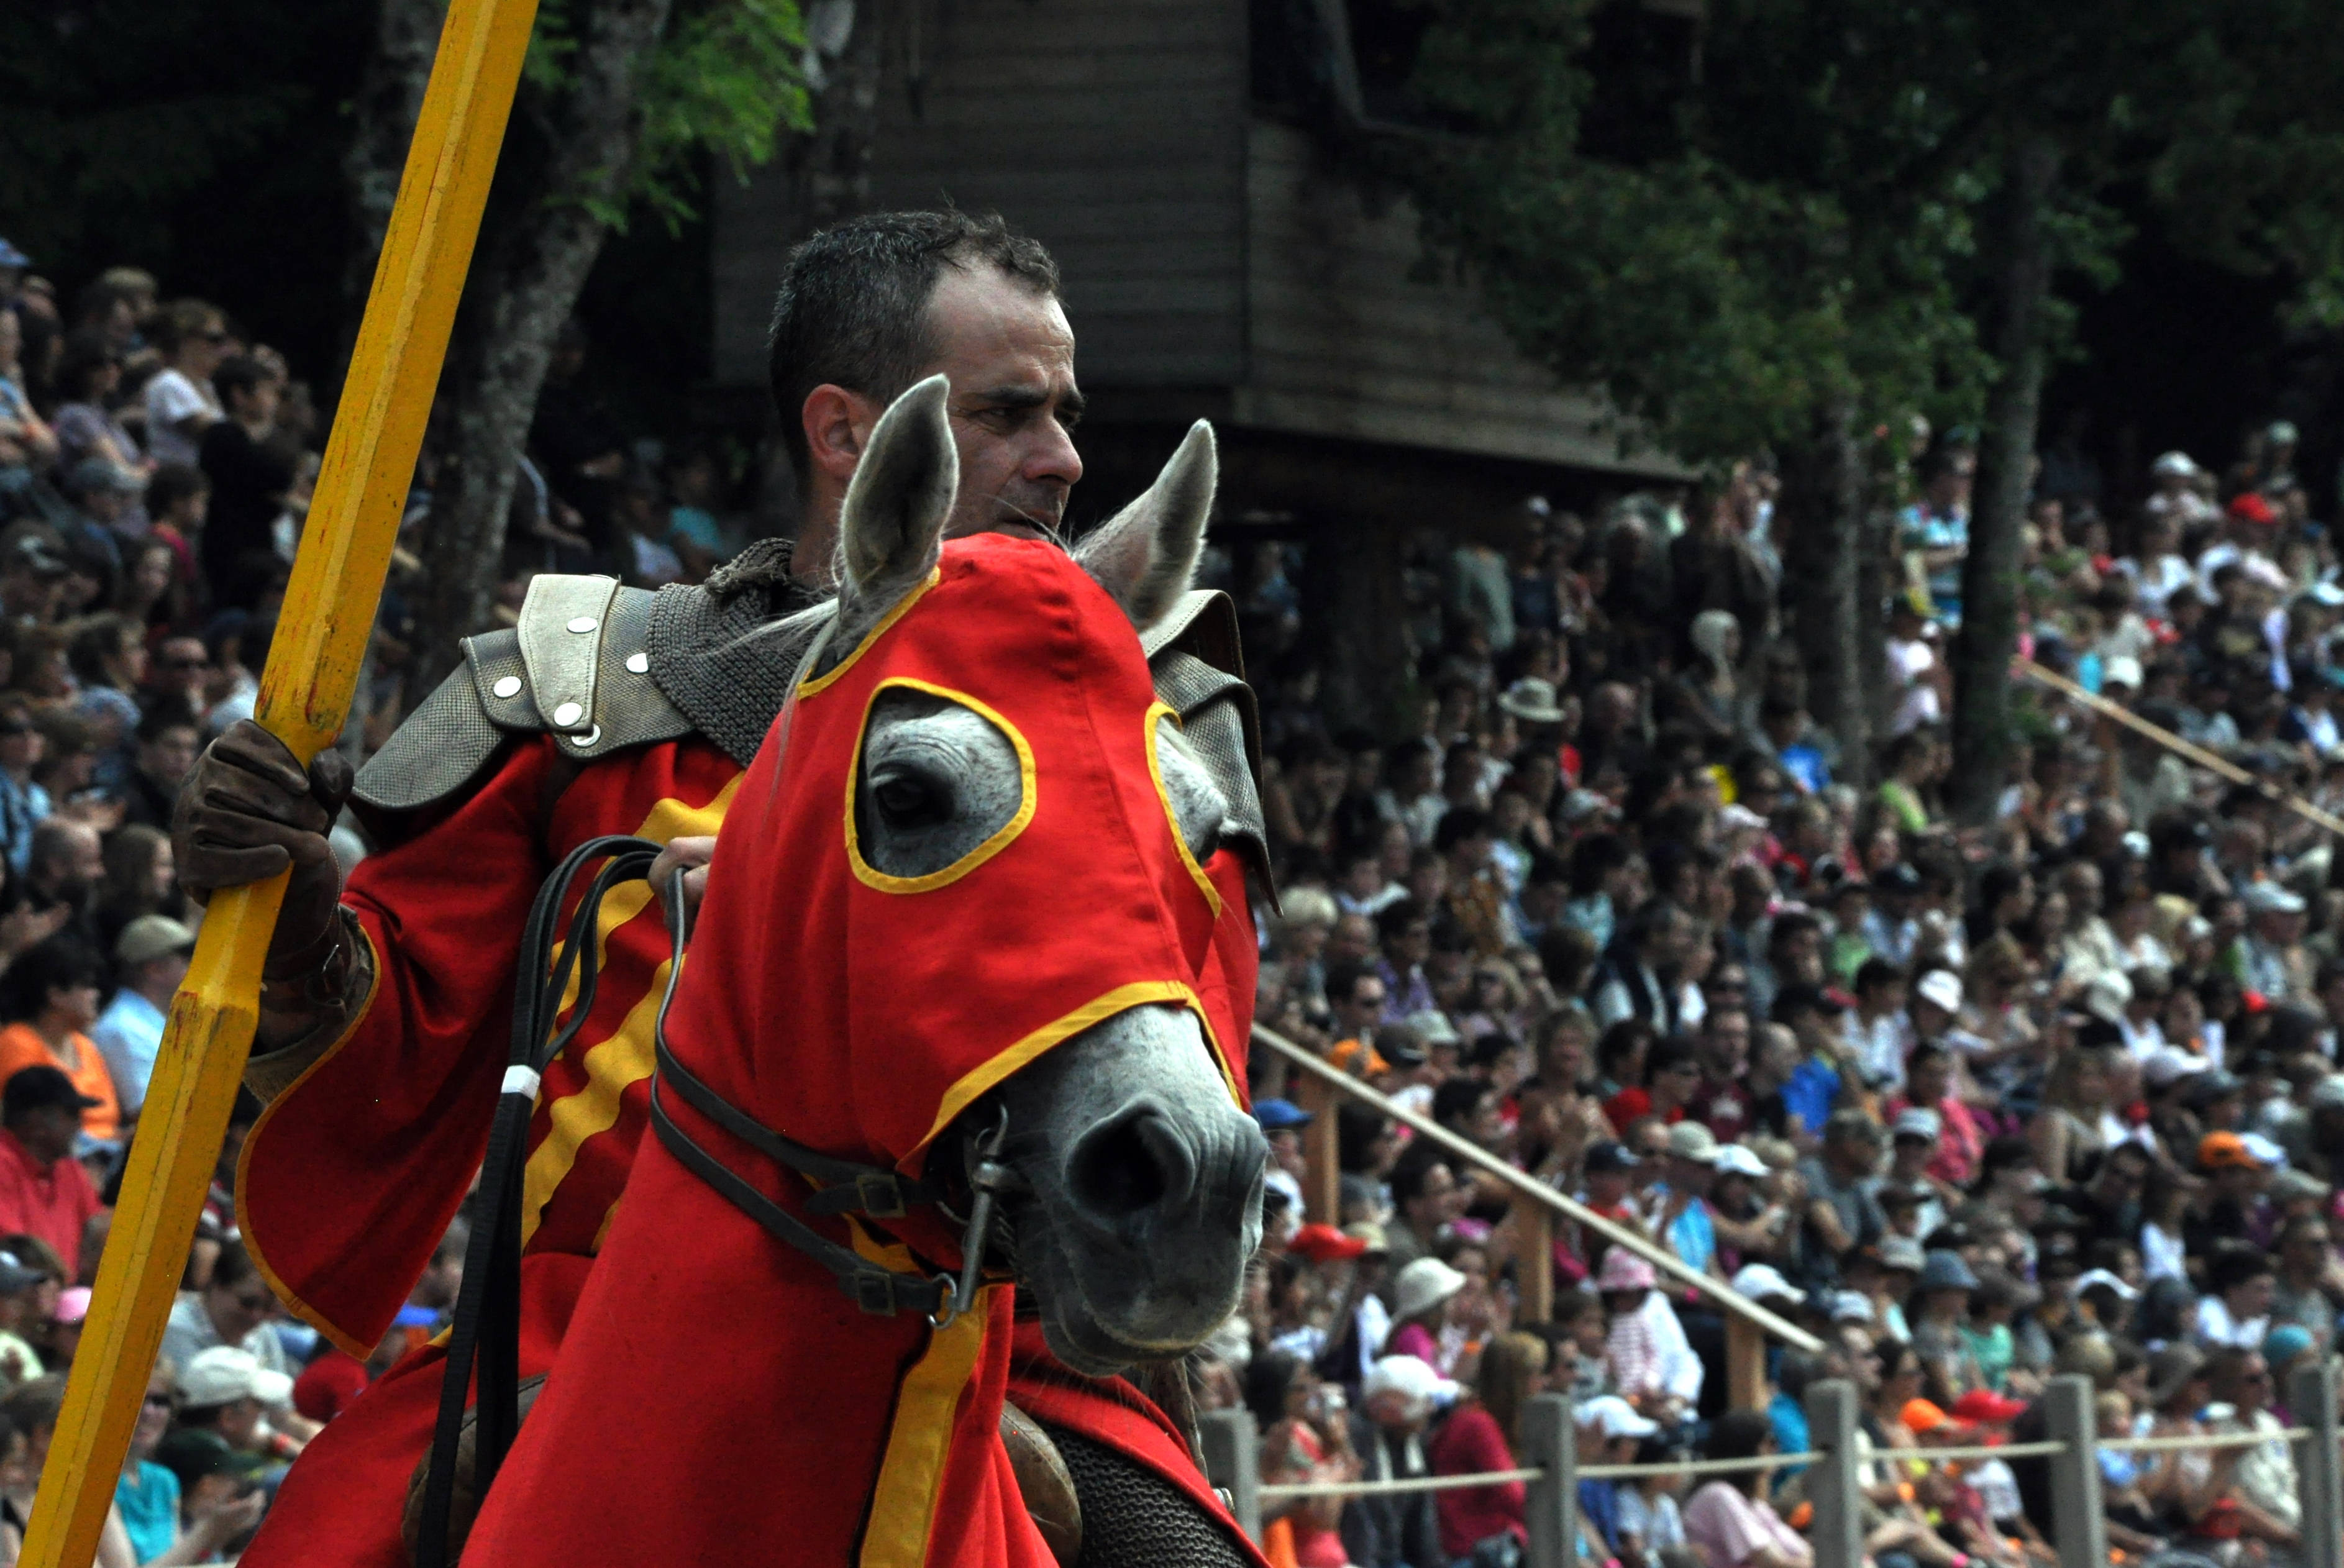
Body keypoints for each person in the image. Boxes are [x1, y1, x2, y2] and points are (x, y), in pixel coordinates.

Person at [174, 210, 1273, 1568]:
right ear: (847, 434)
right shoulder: (590, 688)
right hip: (584, 1323)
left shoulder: (1151, 720)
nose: (1062, 459)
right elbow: (394, 1063)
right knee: (332, 1538)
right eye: (1008, 413)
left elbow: (1171, 1082)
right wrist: (294, 929)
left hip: (1010, 1340)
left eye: (1065, 414)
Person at [1431, 1331, 1548, 1564]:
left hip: (1498, 1543)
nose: (1543, 1383)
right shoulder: (1477, 1423)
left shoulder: (1485, 1418)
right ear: (1515, 1380)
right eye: (1536, 1373)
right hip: (1473, 1551)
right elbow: (1514, 1496)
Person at [0, 936, 119, 1144]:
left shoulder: (86, 1046)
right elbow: (33, 1126)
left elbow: (109, 1118)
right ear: (55, 995)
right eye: (86, 986)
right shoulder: (16, 1042)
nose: (95, 994)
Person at [1342, 1354, 1449, 1568]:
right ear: (1386, 1407)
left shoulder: (1413, 1441)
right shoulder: (1351, 1441)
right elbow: (1361, 1524)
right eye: (1424, 1401)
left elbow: (1422, 1523)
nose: (1431, 1409)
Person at [91, 915, 195, 1121]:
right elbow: (150, 1116)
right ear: (154, 970)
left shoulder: (162, 1020)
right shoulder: (123, 1029)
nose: (195, 968)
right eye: (185, 961)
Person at [0, 1065, 101, 1277]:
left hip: (68, 1291)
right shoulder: (4, 1164)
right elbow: (18, 1255)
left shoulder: (68, 1167)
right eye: (71, 1115)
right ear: (37, 1121)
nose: (79, 1125)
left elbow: (98, 1230)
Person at [1682, 1410, 1813, 1568]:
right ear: (1746, 1447)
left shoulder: (1755, 1506)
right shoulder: (1718, 1495)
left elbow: (1804, 1552)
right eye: (1770, 1442)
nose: (1776, 1449)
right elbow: (1772, 1562)